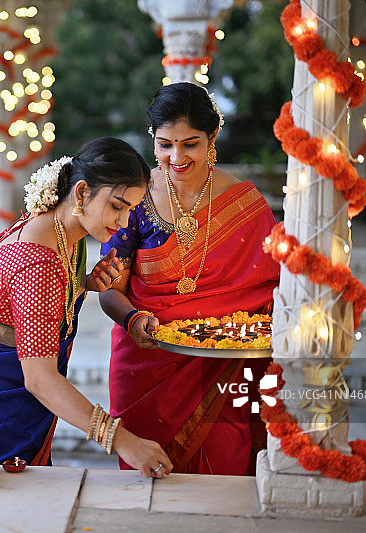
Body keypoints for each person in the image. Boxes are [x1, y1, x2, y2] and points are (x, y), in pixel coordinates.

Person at [0, 137, 173, 478]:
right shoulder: (38, 264)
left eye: (131, 208)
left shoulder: (59, 231)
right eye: (118, 205)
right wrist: (121, 440)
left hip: (11, 407)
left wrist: (81, 284)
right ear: (82, 192)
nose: (123, 221)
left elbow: (24, 312)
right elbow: (40, 380)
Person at [98, 82, 280, 476]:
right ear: (153, 139)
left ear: (213, 137)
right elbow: (110, 292)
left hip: (224, 365)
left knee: (224, 470)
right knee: (147, 486)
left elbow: (272, 288)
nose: (175, 157)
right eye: (165, 144)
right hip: (146, 363)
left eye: (190, 144)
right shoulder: (135, 197)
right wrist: (133, 319)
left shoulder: (245, 204)